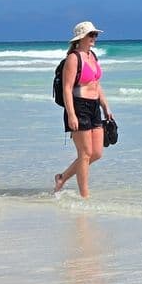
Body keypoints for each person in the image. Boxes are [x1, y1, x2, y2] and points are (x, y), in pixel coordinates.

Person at [52, 20, 111, 199]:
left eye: (95, 35)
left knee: (97, 153)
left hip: (94, 107)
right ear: (81, 38)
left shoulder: (92, 55)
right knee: (84, 154)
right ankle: (85, 197)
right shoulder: (73, 58)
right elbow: (67, 89)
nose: (95, 38)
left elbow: (96, 84)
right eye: (91, 35)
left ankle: (62, 178)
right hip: (79, 106)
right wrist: (71, 114)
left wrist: (105, 105)